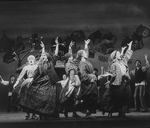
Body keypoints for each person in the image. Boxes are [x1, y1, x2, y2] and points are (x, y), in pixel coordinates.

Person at [99, 41, 133, 117]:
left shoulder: (123, 62)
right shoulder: (114, 64)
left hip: (125, 81)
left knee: (125, 97)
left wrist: (129, 46)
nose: (120, 54)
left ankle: (122, 111)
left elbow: (127, 55)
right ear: (115, 56)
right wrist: (109, 81)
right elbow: (113, 74)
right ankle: (109, 111)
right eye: (118, 54)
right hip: (117, 82)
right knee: (115, 97)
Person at [76, 39, 98, 118]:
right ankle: (87, 113)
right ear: (82, 55)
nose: (87, 53)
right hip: (87, 84)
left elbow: (86, 52)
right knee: (88, 98)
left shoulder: (86, 61)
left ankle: (89, 113)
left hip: (90, 83)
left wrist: (86, 45)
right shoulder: (82, 63)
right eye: (85, 53)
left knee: (91, 99)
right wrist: (91, 77)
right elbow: (83, 75)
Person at [13, 54, 38, 120]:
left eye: (32, 59)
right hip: (27, 81)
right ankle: (27, 114)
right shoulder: (26, 67)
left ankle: (34, 114)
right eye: (29, 59)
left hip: (35, 81)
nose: (31, 61)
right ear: (28, 61)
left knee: (35, 98)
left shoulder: (36, 66)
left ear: (34, 60)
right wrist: (16, 83)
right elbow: (20, 76)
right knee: (25, 97)